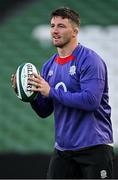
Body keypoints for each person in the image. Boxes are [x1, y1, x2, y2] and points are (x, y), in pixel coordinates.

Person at [11, 7, 114, 179]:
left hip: (94, 148)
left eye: (61, 26)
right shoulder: (49, 66)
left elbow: (91, 101)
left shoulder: (90, 60)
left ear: (75, 31)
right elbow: (45, 111)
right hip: (63, 150)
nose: (54, 31)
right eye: (52, 26)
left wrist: (51, 91)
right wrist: (29, 94)